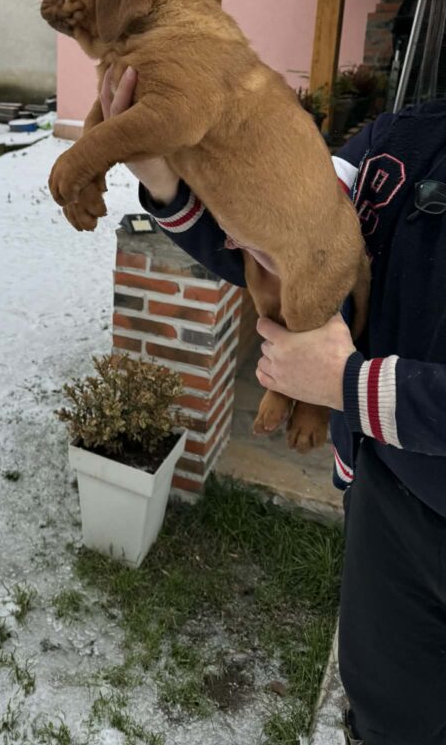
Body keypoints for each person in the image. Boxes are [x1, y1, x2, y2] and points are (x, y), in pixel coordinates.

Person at [100, 64, 446, 745]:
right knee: (386, 716)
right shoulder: (395, 147)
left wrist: (347, 385)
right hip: (388, 508)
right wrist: (164, 181)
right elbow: (275, 243)